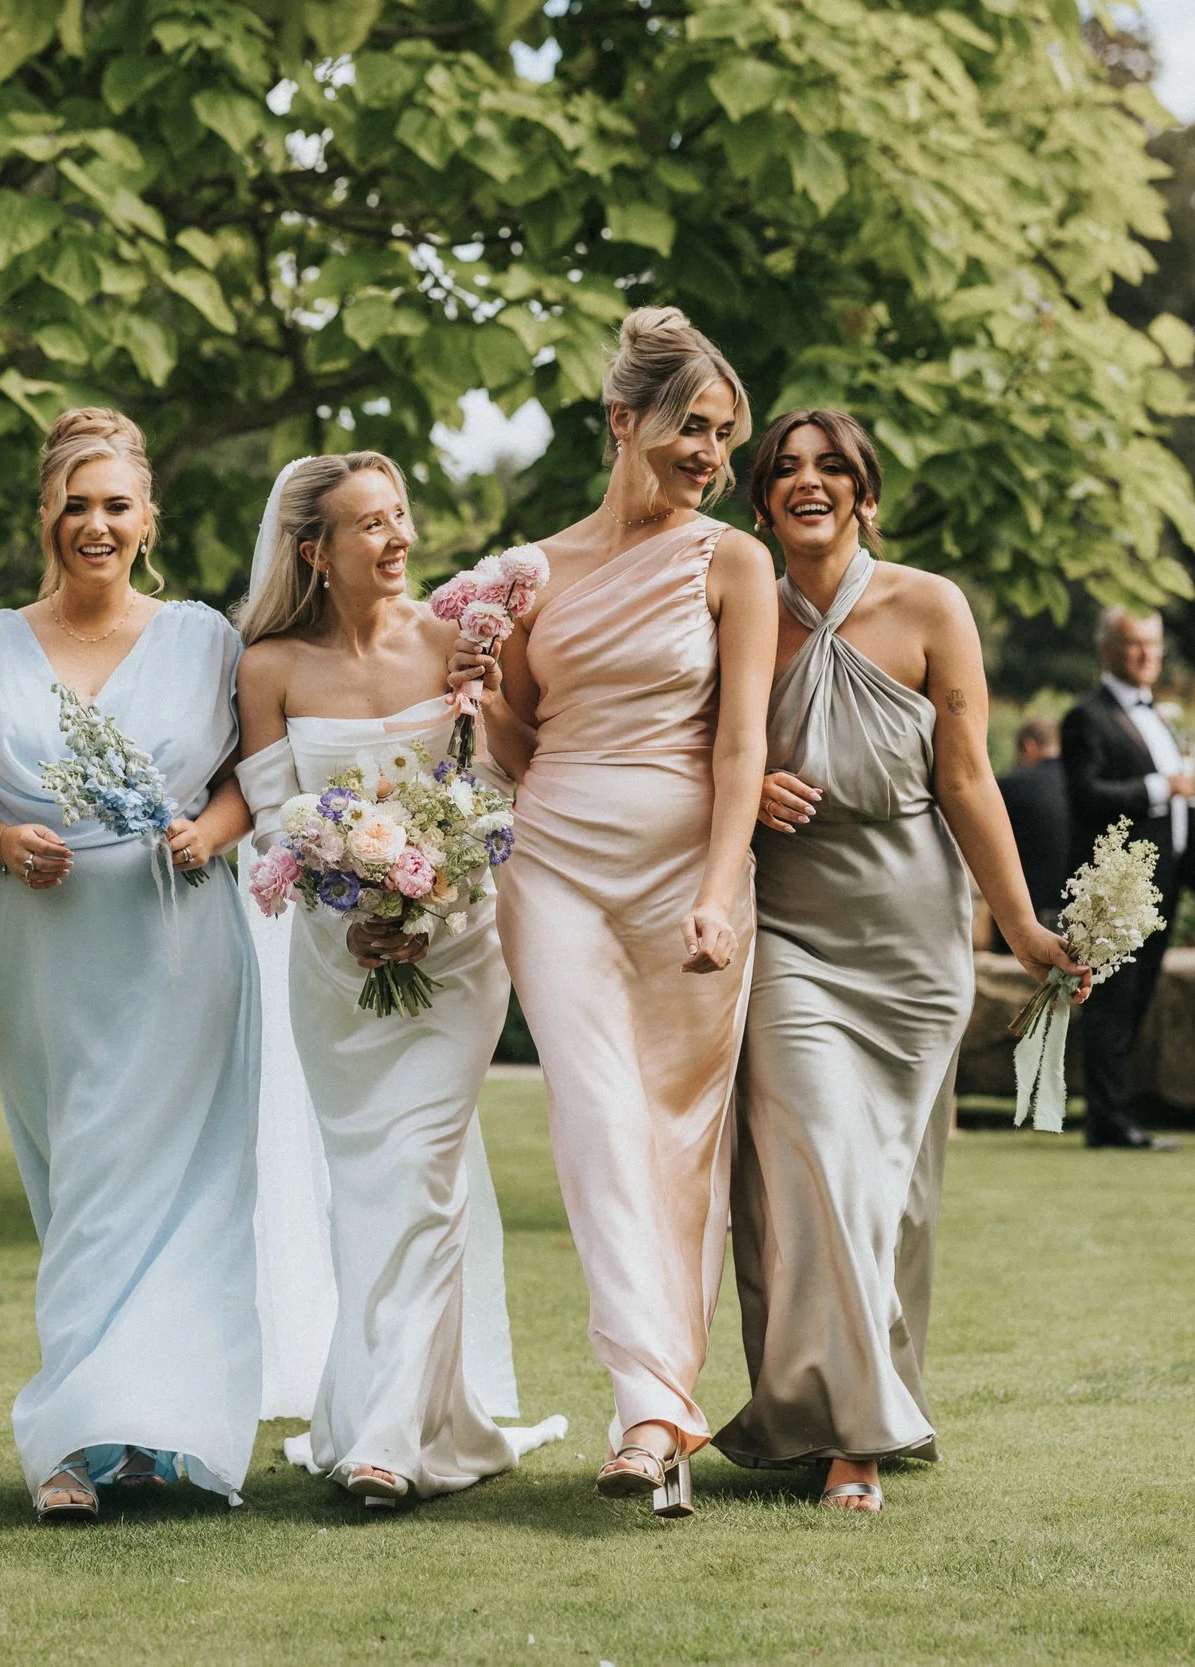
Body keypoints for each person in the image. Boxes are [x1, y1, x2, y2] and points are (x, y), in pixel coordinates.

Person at [717, 410, 1086, 1514]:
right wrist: (741, 793)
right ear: (760, 506)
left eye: (832, 466)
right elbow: (696, 749)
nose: (809, 481)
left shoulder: (931, 606)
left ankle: (833, 1408)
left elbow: (966, 777)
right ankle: (854, 1438)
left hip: (915, 944)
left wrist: (1022, 927)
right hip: (789, 936)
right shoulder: (735, 606)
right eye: (785, 469)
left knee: (890, 1195)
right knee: (819, 1166)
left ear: (865, 494)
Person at [455, 305, 775, 1518]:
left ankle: (660, 1399)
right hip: (553, 866)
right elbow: (521, 739)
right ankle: (645, 1411)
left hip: (687, 870)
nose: (710, 454)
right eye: (693, 427)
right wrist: (481, 692)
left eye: (724, 435)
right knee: (595, 1119)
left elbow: (740, 743)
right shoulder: (530, 569)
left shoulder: (730, 562)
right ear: (623, 421)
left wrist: (716, 891)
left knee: (678, 1136)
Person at [0, 408, 261, 1518]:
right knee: (80, 1188)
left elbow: (252, 776)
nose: (96, 524)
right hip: (42, 953)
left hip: (178, 948)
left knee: (175, 1189)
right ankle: (84, 1428)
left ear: (147, 518)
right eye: (75, 505)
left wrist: (209, 831)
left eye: (117, 504)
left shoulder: (207, 639)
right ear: (45, 516)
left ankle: (130, 1435)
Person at [234, 452, 555, 1505]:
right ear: (314, 552)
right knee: (368, 1190)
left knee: (424, 1172)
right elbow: (276, 830)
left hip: (457, 952)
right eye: (369, 524)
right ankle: (402, 1411)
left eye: (400, 515)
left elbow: (497, 787)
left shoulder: (454, 642)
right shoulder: (270, 669)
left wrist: (434, 895)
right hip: (336, 972)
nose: (398, 537)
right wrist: (355, 918)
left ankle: (384, 1438)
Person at [1058, 608, 1195, 1151]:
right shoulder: (1087, 717)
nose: (1147, 654)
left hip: (1165, 882)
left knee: (1137, 999)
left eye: (1154, 644)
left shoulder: (1159, 715)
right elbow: (1085, 794)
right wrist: (1160, 788)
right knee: (1113, 1002)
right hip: (1117, 886)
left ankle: (1117, 1113)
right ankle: (1108, 1121)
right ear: (1107, 648)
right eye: (1135, 643)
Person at [994, 715, 1069, 946]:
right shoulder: (1084, 784)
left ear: (1028, 747)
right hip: (1081, 915)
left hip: (1024, 919)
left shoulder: (1010, 786)